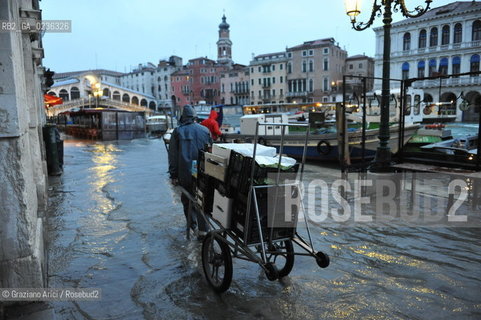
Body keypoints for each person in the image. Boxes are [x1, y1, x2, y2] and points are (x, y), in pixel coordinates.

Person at [168, 105, 212, 238]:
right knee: (202, 200)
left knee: (187, 200)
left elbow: (173, 156)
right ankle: (204, 231)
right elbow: (211, 151)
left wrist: (173, 175)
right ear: (195, 117)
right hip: (203, 174)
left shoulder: (178, 131)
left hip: (186, 173)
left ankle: (192, 226)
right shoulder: (205, 130)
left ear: (183, 117)